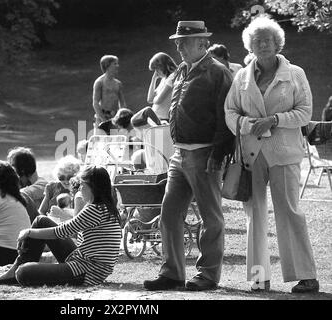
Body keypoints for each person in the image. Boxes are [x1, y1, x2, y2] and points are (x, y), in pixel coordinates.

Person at [224, 16, 319, 294]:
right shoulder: (241, 76)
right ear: (249, 45)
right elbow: (230, 112)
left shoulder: (295, 74)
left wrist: (275, 119)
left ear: (278, 43)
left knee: (289, 212)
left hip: (284, 153)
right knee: (254, 214)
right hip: (252, 154)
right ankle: (258, 277)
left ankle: (306, 276)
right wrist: (244, 125)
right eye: (257, 40)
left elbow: (305, 112)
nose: (263, 44)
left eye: (268, 40)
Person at [143, 21, 235, 291]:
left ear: (202, 43)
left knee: (211, 216)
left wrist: (218, 153)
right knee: (170, 214)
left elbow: (225, 118)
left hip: (205, 154)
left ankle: (208, 275)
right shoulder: (182, 70)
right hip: (180, 155)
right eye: (177, 42)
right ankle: (172, 273)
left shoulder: (218, 72)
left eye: (184, 42)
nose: (178, 46)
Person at [0, 165, 122, 287]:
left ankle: (17, 269)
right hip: (84, 262)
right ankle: (16, 267)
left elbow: (61, 231)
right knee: (41, 221)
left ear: (93, 187)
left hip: (87, 271)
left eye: (82, 185)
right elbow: (70, 227)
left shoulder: (95, 209)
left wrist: (28, 232)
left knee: (23, 273)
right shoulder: (104, 207)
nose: (80, 188)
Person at [0, 147, 47, 223]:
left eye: (12, 167)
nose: (9, 171)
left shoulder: (42, 185)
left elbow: (17, 196)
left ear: (22, 170)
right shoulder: (17, 184)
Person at [92, 55, 127, 127]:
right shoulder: (100, 82)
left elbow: (122, 103)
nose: (117, 66)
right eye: (115, 64)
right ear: (107, 65)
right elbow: (95, 102)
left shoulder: (118, 83)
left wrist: (124, 117)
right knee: (101, 138)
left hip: (114, 118)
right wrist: (104, 120)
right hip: (102, 117)